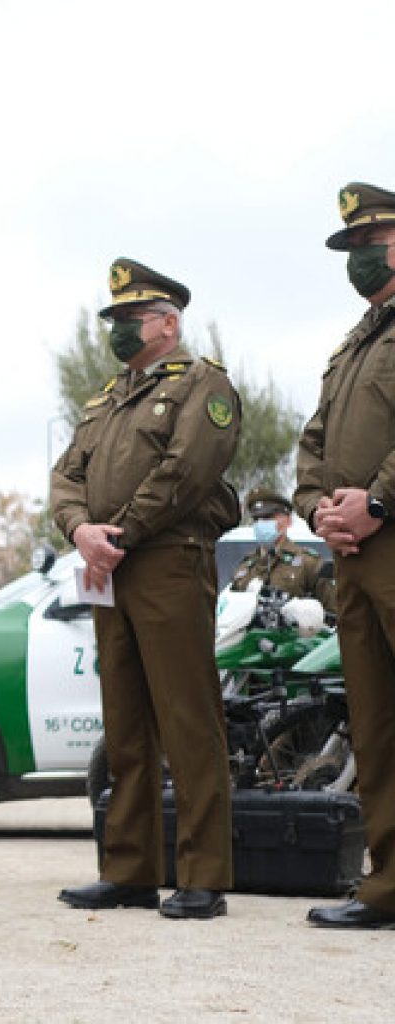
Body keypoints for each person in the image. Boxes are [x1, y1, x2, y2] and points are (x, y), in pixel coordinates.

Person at [50, 258, 241, 921]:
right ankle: (130, 869)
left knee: (188, 720)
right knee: (126, 725)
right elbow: (65, 476)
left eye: (133, 318)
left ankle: (203, 874)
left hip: (167, 559)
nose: (121, 329)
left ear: (168, 322)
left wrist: (120, 532)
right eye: (115, 320)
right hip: (110, 566)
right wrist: (82, 532)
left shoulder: (202, 385)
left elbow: (186, 469)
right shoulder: (105, 400)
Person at [295, 181, 395, 930]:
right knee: (375, 725)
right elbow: (313, 446)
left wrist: (378, 500)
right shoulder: (351, 345)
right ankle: (388, 885)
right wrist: (321, 510)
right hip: (354, 559)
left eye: (369, 242)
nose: (357, 257)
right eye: (350, 248)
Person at [230, 488, 336, 614]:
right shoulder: (245, 567)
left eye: (268, 517)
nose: (261, 523)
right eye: (256, 519)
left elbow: (333, 613)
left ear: (288, 521)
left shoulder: (309, 563)